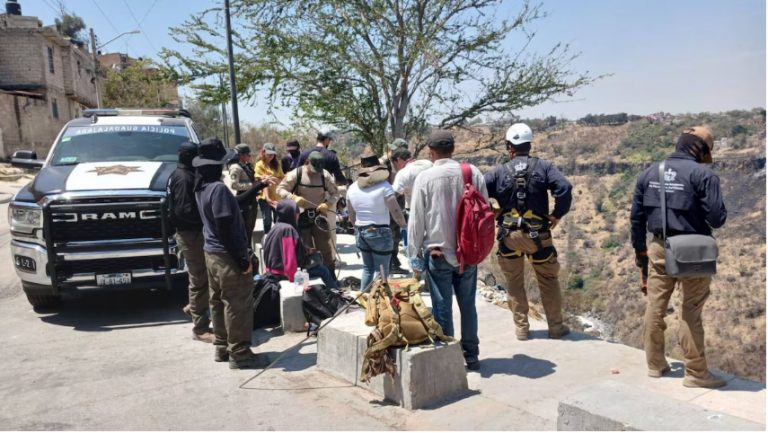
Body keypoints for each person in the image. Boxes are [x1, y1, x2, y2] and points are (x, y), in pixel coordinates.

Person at [630, 126, 727, 388]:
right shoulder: (703, 175)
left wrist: (641, 257)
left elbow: (636, 220)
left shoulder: (649, 172)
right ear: (702, 150)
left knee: (655, 307)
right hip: (693, 250)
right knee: (690, 310)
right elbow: (717, 219)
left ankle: (655, 364)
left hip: (659, 247)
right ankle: (696, 373)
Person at [484, 123, 573, 341]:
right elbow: (564, 188)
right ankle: (555, 328)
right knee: (548, 279)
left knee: (514, 281)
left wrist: (492, 211)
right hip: (538, 236)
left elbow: (476, 191)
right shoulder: (544, 167)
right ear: (530, 145)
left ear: (509, 146)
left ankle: (522, 328)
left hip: (509, 237)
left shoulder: (498, 172)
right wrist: (556, 215)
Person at [408, 129, 488, 371]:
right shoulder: (472, 172)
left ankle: (449, 360)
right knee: (468, 305)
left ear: (430, 152)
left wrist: (413, 254)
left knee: (442, 306)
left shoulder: (424, 178)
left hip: (438, 253)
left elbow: (417, 220)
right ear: (453, 149)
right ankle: (471, 356)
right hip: (468, 253)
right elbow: (484, 212)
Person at [193, 137, 267, 370]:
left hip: (212, 254)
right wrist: (242, 259)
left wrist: (257, 187)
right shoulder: (218, 189)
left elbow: (233, 204)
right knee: (237, 304)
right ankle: (240, 354)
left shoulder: (202, 187)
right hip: (226, 256)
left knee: (217, 301)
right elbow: (225, 226)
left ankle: (222, 346)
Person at [167, 141, 213, 343]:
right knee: (199, 279)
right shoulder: (184, 178)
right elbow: (185, 211)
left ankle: (193, 307)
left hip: (191, 233)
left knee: (203, 276)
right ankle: (200, 328)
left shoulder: (180, 173)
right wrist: (207, 219)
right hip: (191, 234)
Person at [347, 153, 406, 290]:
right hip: (380, 232)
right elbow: (395, 210)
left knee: (367, 268)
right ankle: (380, 301)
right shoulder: (384, 186)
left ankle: (365, 298)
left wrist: (357, 228)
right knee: (382, 271)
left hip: (361, 231)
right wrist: (404, 226)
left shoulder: (352, 188)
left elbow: (351, 215)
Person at [277, 152, 340, 275]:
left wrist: (328, 204)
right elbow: (280, 189)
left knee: (325, 247)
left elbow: (335, 193)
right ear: (307, 162)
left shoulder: (324, 175)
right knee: (305, 248)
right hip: (302, 216)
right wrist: (293, 197)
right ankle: (307, 276)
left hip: (319, 216)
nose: (316, 172)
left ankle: (330, 275)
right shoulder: (296, 174)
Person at [262, 199, 338, 289]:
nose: (298, 215)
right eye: (296, 213)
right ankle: (336, 293)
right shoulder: (288, 230)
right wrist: (300, 284)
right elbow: (289, 259)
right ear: (290, 214)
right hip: (283, 273)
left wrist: (305, 249)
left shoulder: (276, 227)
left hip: (272, 270)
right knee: (323, 270)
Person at [381, 139, 409, 274]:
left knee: (396, 234)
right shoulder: (385, 164)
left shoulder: (402, 163)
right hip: (389, 203)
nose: (391, 151)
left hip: (399, 202)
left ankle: (393, 260)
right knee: (391, 234)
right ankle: (390, 263)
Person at [229, 143, 259, 245]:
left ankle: (249, 247)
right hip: (244, 202)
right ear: (241, 155)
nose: (249, 156)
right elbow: (234, 185)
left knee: (250, 227)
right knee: (245, 228)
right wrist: (252, 186)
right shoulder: (235, 167)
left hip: (252, 200)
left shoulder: (246, 166)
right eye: (247, 154)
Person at [254, 143, 284, 234]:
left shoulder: (277, 165)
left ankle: (277, 236)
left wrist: (273, 179)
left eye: (273, 154)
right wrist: (267, 198)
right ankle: (267, 236)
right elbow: (261, 181)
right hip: (263, 197)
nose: (271, 156)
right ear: (263, 152)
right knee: (267, 219)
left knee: (278, 219)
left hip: (276, 196)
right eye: (269, 154)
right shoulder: (259, 165)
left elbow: (282, 179)